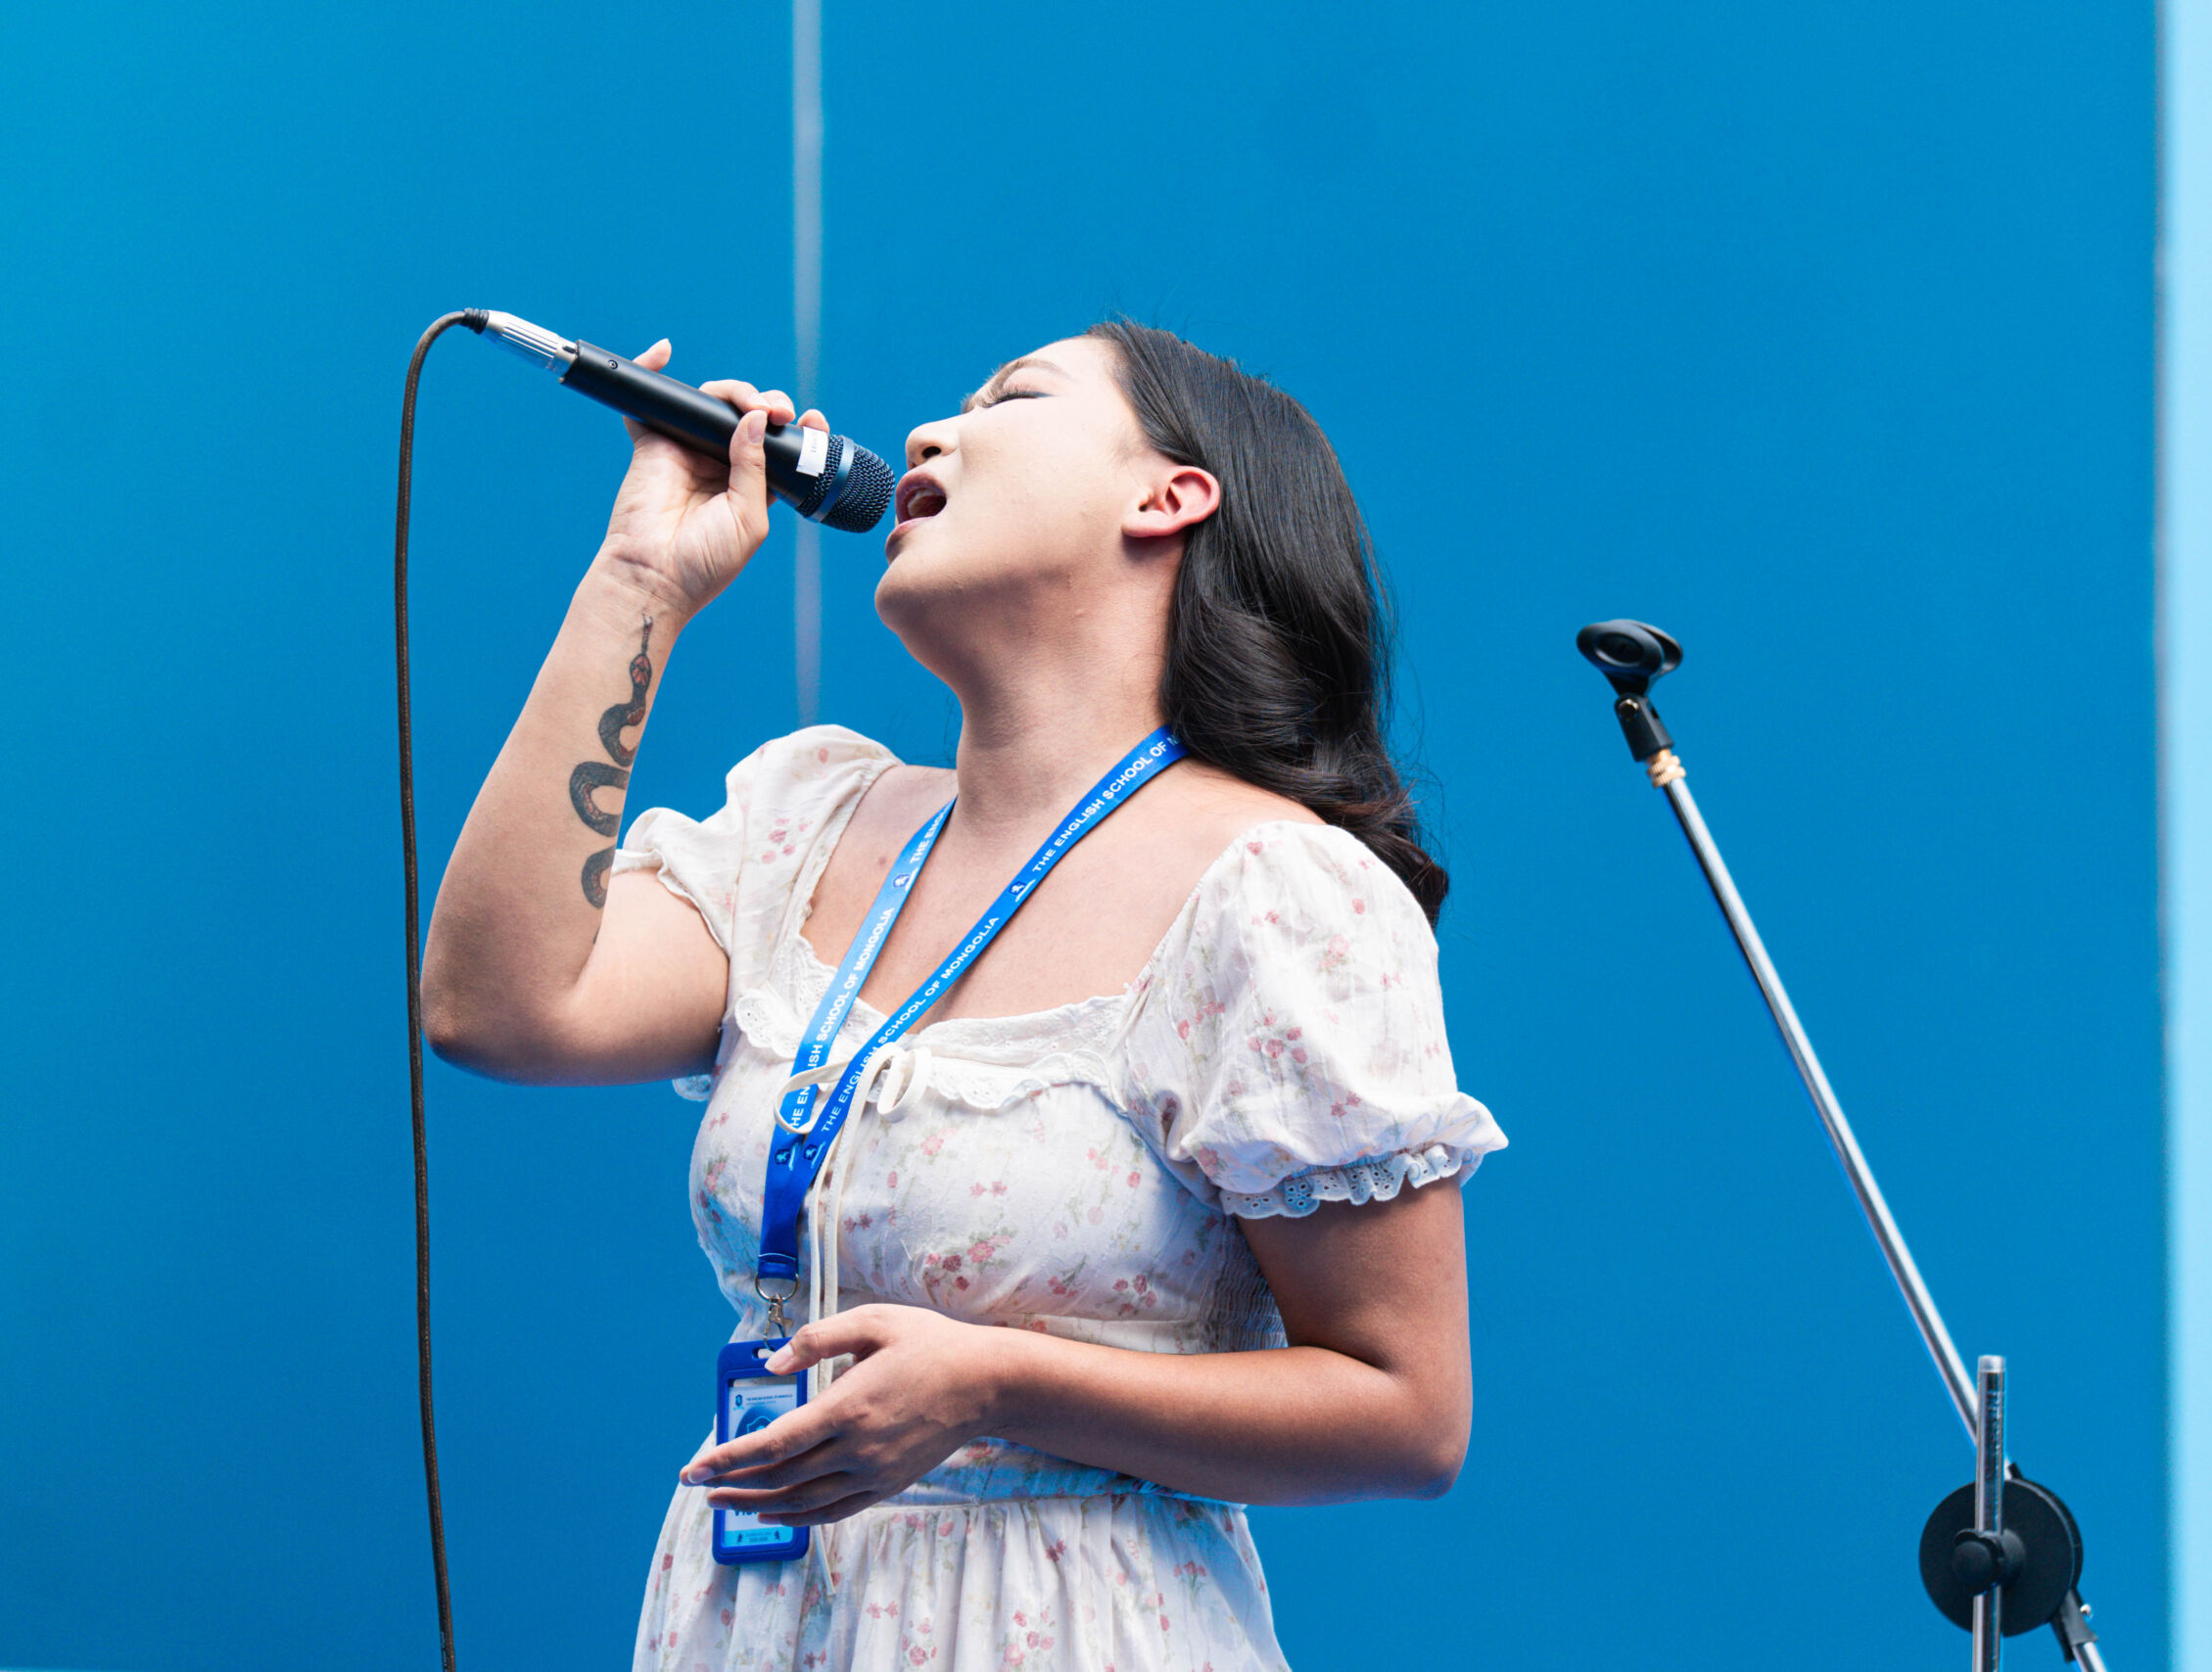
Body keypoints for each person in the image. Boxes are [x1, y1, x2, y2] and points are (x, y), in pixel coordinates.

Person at [420, 320, 1505, 1671]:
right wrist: (637, 578)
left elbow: (1409, 1415)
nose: (931, 431)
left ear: (1169, 496)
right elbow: (496, 1005)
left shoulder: (1274, 890)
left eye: (1012, 398)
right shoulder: (807, 818)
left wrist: (996, 1385)